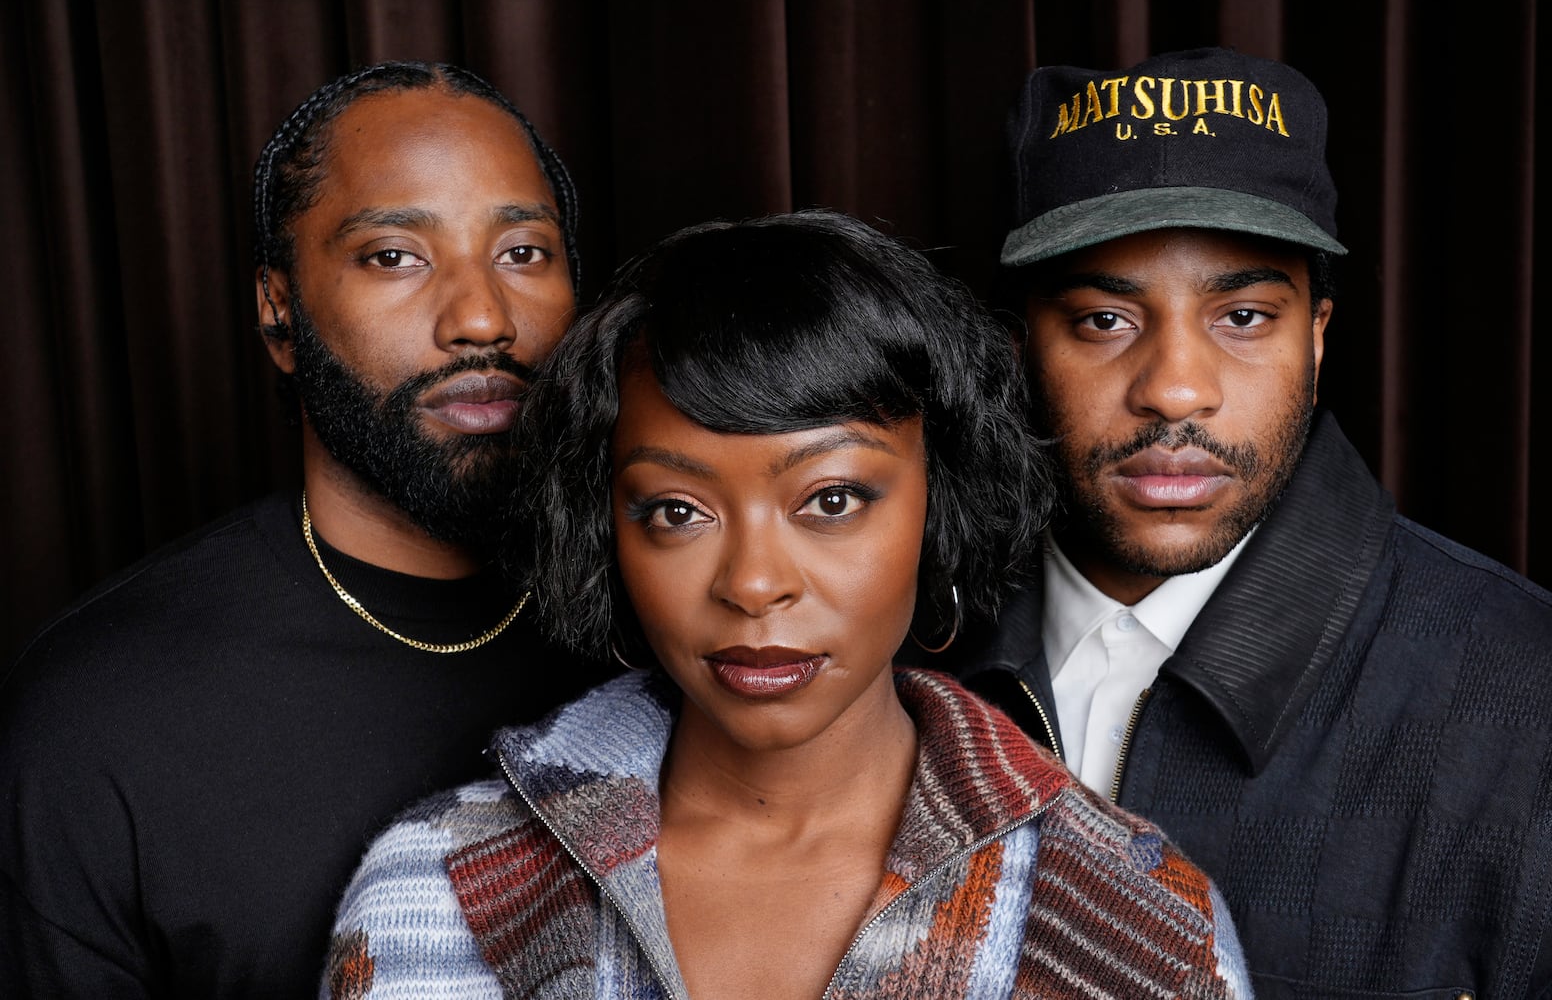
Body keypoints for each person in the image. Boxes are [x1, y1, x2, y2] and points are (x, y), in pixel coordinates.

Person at [320, 210, 1253, 998]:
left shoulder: (1134, 917)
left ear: (941, 500)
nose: (755, 583)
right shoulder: (439, 887)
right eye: (678, 512)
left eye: (832, 501)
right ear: (608, 527)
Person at [944, 46, 1552, 995]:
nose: (1176, 389)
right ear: (1017, 351)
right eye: (1103, 320)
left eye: (1243, 316)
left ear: (1319, 336)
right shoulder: (893, 651)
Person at [0, 61, 603, 996]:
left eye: (523, 252)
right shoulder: (94, 716)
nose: (483, 318)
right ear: (279, 312)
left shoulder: (692, 619)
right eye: (395, 255)